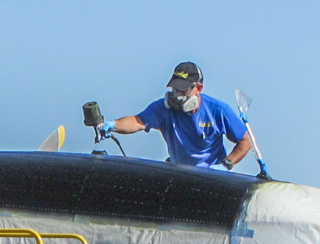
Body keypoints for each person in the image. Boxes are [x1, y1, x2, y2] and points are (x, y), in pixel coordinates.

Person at [101, 62, 252, 169]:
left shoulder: (218, 110)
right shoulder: (163, 109)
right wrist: (113, 125)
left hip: (212, 175)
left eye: (182, 90)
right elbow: (137, 122)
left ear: (198, 88)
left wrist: (226, 165)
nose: (177, 95)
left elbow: (245, 140)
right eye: (175, 89)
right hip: (179, 171)